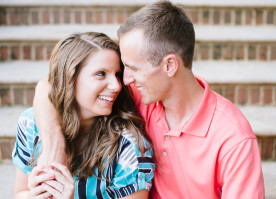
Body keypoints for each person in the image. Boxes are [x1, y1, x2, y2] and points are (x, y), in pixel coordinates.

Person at [33, 1, 265, 198]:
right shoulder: (144, 96)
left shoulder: (234, 140)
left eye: (133, 68)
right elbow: (49, 87)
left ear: (169, 65)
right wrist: (54, 144)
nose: (124, 80)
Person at [12, 32, 155, 199]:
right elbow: (20, 193)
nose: (116, 86)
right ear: (70, 78)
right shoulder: (31, 125)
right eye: (101, 73)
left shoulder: (128, 146)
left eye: (117, 74)